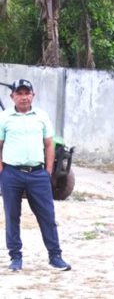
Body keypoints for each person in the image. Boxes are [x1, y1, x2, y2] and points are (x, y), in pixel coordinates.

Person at [0, 79, 71, 272]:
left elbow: (49, 144)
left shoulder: (41, 116)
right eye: (19, 93)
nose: (24, 97)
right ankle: (15, 257)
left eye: (27, 93)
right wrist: (2, 171)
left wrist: (47, 171)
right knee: (12, 216)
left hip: (37, 174)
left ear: (33, 95)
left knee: (47, 216)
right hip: (11, 174)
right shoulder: (4, 117)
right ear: (12, 96)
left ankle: (55, 256)